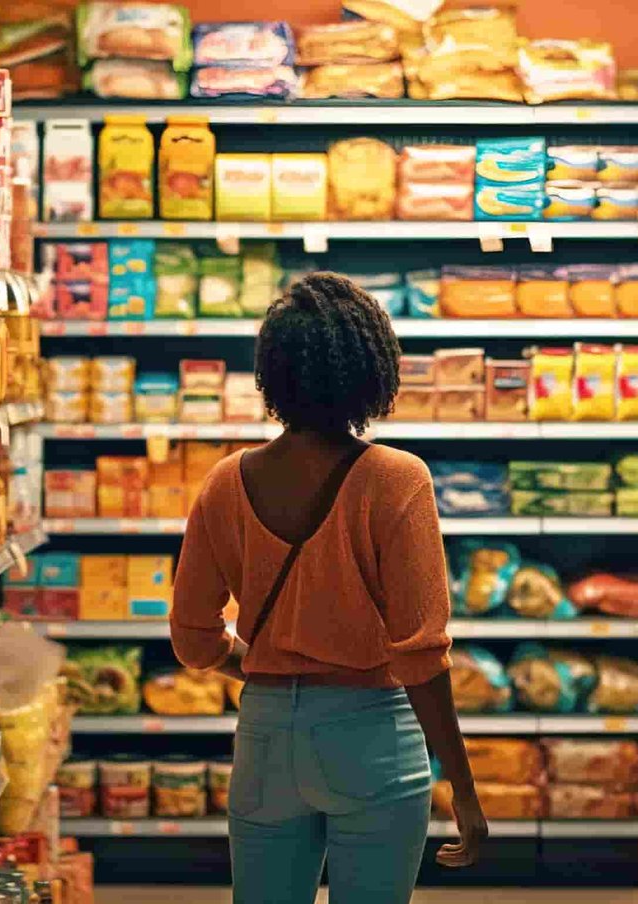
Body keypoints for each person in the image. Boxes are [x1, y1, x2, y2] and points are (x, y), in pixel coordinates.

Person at [170, 272, 487, 904]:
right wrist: (465, 790)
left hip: (264, 737)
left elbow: (192, 638)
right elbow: (421, 656)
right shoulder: (397, 480)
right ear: (372, 371)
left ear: (273, 375)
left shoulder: (224, 483)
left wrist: (266, 666)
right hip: (371, 734)